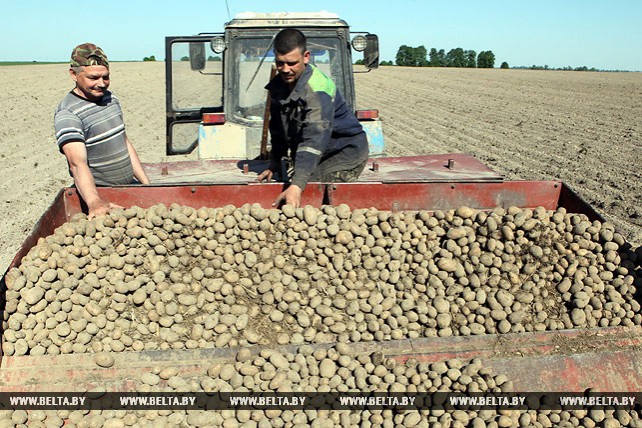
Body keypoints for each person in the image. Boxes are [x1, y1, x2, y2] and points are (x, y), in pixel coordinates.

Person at [257, 29, 369, 207]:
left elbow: (314, 138)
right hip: (318, 151)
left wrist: (297, 184)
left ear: (306, 56)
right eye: (280, 63)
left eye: (292, 63)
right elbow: (278, 127)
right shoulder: (279, 84)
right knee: (298, 182)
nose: (285, 70)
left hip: (342, 151)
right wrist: (274, 162)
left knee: (311, 192)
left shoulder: (318, 90)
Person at [54, 43, 149, 219]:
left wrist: (147, 185)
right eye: (93, 77)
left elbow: (124, 141)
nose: (101, 84)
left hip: (129, 188)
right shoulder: (68, 113)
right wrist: (95, 202)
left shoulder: (111, 99)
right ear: (73, 74)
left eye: (106, 77)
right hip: (101, 196)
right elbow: (77, 163)